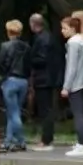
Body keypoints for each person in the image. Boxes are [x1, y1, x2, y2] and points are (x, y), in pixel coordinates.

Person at [27, 13, 65, 152]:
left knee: (45, 110)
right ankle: (47, 138)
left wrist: (30, 60)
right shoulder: (48, 36)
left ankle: (46, 140)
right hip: (49, 78)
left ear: (33, 24)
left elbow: (42, 59)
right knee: (46, 109)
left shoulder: (42, 39)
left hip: (44, 79)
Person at [60, 17, 83, 157]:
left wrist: (66, 87)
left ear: (73, 29)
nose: (62, 31)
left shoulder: (73, 43)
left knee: (78, 114)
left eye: (65, 28)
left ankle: (81, 145)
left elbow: (71, 67)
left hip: (76, 84)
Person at [0, 19, 31, 152]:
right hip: (23, 82)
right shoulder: (27, 47)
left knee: (13, 112)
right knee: (14, 111)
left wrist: (1, 77)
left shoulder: (5, 46)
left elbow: (0, 64)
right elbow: (29, 65)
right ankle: (8, 141)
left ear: (8, 31)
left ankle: (21, 141)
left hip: (10, 80)